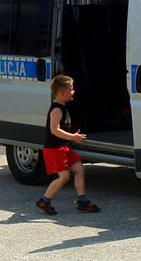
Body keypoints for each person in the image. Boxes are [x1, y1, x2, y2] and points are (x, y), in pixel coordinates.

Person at [36, 75, 100, 215]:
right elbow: (54, 129)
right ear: (61, 93)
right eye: (71, 89)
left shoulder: (63, 107)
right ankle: (44, 200)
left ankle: (82, 200)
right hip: (54, 149)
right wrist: (73, 137)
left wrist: (71, 136)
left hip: (64, 147)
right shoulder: (57, 110)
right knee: (64, 177)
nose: (73, 92)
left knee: (78, 168)